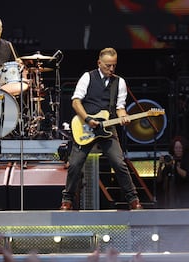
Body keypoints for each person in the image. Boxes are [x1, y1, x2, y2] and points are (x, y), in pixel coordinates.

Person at [60, 47, 142, 210]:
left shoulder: (120, 82)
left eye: (114, 66)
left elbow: (120, 107)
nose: (111, 69)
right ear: (99, 63)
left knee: (119, 163)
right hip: (85, 126)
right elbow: (76, 101)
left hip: (107, 126)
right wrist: (88, 119)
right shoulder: (88, 77)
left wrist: (123, 115)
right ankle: (67, 200)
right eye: (107, 66)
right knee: (75, 164)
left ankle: (133, 199)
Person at [156, 136, 189, 208]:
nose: (178, 150)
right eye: (176, 148)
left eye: (180, 148)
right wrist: (160, 166)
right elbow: (159, 180)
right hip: (173, 200)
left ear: (184, 149)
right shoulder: (171, 161)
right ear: (173, 149)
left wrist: (174, 166)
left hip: (188, 199)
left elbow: (187, 175)